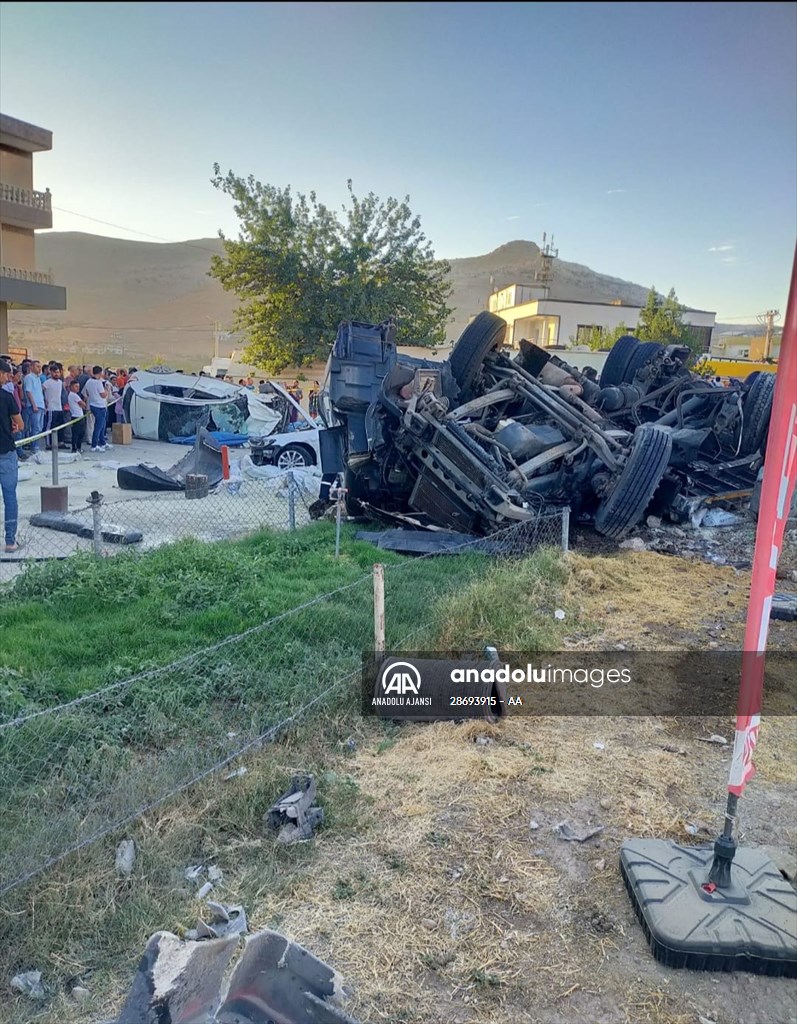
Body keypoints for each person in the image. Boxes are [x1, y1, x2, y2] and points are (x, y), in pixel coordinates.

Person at [0, 358, 24, 552]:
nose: (8, 377)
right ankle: (10, 541)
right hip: (5, 451)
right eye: (6, 374)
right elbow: (20, 424)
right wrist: (13, 426)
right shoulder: (6, 397)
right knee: (9, 497)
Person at [83, 365, 111, 452]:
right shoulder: (98, 383)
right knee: (98, 426)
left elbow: (86, 393)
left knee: (101, 425)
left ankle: (102, 442)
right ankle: (94, 445)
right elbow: (103, 395)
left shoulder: (88, 382)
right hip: (100, 405)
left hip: (92, 404)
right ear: (100, 373)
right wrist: (107, 390)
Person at [23, 359, 45, 457]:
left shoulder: (38, 378)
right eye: (37, 366)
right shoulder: (29, 377)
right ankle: (34, 447)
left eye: (40, 366)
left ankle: (36, 446)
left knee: (39, 427)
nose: (39, 368)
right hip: (34, 406)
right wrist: (34, 405)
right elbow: (28, 391)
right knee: (35, 427)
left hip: (41, 405)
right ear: (31, 367)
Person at [67, 379, 87, 453]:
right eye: (76, 386)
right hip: (76, 416)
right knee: (76, 433)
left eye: (78, 386)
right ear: (71, 387)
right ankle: (75, 448)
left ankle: (78, 447)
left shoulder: (75, 395)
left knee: (81, 433)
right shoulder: (73, 395)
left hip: (80, 415)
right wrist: (84, 403)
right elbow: (83, 404)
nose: (77, 388)